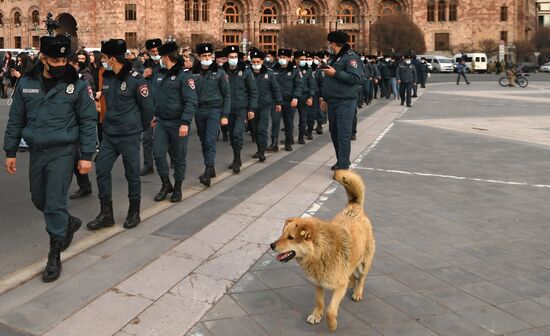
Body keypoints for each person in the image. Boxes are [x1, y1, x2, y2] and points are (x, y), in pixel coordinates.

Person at [4, 35, 97, 282]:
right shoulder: (26, 83)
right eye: (54, 60)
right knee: (39, 198)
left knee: (54, 202)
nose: (60, 64)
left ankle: (54, 254)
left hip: (64, 151)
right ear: (42, 58)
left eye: (63, 59)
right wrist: (10, 151)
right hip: (37, 151)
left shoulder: (75, 84)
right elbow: (16, 119)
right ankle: (67, 223)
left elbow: (88, 121)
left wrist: (87, 155)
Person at [87, 39, 154, 231]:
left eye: (105, 58)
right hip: (110, 135)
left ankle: (134, 211)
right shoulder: (107, 77)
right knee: (101, 168)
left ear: (112, 58)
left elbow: (147, 108)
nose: (103, 61)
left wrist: (137, 128)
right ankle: (106, 213)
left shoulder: (135, 79)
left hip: (129, 136)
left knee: (132, 174)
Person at [151, 42, 198, 202]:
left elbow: (191, 101)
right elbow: (160, 98)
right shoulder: (162, 73)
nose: (161, 60)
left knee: (178, 158)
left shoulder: (184, 76)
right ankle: (166, 184)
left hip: (178, 123)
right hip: (162, 122)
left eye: (161, 57)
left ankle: (177, 187)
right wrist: (156, 115)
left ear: (166, 57)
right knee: (158, 154)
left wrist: (185, 122)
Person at [320, 31, 362, 171]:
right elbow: (329, 81)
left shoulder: (350, 57)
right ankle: (341, 160)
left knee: (343, 133)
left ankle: (343, 165)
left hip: (345, 101)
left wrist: (336, 73)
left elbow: (356, 78)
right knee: (334, 132)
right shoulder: (335, 58)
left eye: (330, 43)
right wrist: (325, 98)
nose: (329, 46)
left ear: (333, 43)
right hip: (333, 100)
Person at [192, 43, 231, 187]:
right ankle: (211, 167)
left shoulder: (219, 72)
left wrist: (225, 115)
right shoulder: (193, 72)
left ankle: (208, 170)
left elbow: (227, 95)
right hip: (199, 110)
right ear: (199, 57)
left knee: (210, 140)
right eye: (204, 56)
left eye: (209, 56)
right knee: (203, 141)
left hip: (215, 110)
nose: (207, 58)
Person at [222, 45, 258, 174]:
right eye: (231, 57)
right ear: (226, 58)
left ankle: (237, 160)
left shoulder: (246, 71)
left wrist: (252, 109)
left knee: (237, 134)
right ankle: (236, 157)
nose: (233, 59)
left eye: (235, 57)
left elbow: (253, 91)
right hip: (227, 109)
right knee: (232, 135)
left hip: (241, 108)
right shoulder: (222, 71)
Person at [67, 53, 96, 200]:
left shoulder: (84, 79)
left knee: (73, 158)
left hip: (77, 124)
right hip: (68, 125)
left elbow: (88, 103)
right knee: (73, 159)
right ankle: (85, 186)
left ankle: (84, 186)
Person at [250, 50, 282, 162]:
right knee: (254, 130)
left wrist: (278, 102)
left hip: (264, 105)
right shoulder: (248, 73)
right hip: (252, 107)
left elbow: (275, 89)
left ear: (262, 61)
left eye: (258, 61)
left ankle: (262, 152)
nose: (255, 63)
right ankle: (259, 149)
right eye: (253, 62)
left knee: (261, 129)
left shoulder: (269, 73)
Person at [269, 48, 303, 152]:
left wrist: (295, 98)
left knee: (288, 122)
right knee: (275, 122)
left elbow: (299, 85)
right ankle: (274, 143)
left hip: (289, 101)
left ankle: (288, 142)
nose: (282, 59)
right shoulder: (273, 69)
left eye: (284, 57)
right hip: (276, 101)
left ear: (289, 58)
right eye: (280, 57)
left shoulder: (295, 70)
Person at [140, 38, 163, 176]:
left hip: (164, 108)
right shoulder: (144, 67)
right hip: (148, 109)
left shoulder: (166, 66)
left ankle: (172, 160)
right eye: (152, 51)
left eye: (157, 50)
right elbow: (136, 83)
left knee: (165, 138)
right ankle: (148, 165)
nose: (155, 53)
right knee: (147, 139)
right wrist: (143, 76)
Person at [293, 50, 315, 145]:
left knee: (303, 118)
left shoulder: (309, 70)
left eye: (305, 59)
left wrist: (310, 97)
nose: (304, 61)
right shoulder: (291, 69)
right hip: (292, 96)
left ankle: (301, 136)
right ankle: (289, 138)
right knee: (289, 119)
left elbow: (312, 85)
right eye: (302, 59)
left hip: (304, 96)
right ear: (296, 60)